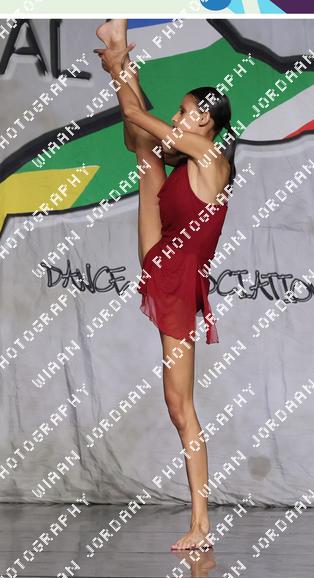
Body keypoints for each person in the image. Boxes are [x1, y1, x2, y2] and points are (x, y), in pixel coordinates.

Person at [94, 19, 238, 551]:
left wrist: (119, 69)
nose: (177, 117)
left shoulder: (211, 159)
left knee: (180, 408)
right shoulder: (188, 154)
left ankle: (202, 524)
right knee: (141, 147)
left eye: (184, 111)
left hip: (178, 283)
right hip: (162, 255)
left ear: (206, 120)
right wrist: (121, 67)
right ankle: (117, 42)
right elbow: (137, 129)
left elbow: (137, 114)